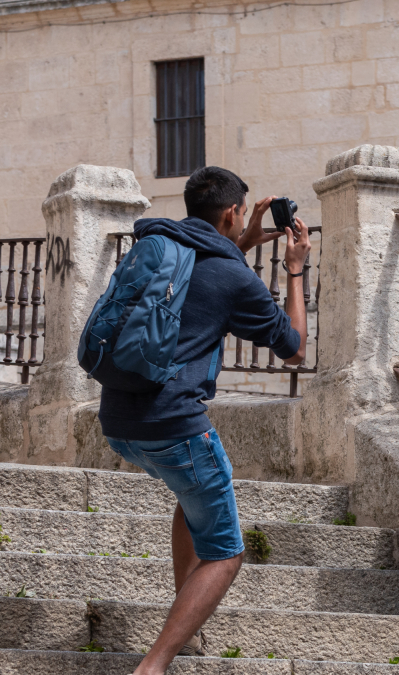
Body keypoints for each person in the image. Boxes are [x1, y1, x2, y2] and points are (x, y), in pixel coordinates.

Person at [99, 167, 310, 675]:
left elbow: (202, 278)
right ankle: (155, 663)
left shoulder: (160, 246)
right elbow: (294, 349)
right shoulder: (233, 274)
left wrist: (241, 240)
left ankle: (184, 619)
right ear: (233, 212)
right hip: (175, 425)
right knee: (226, 553)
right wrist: (296, 269)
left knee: (190, 502)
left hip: (119, 421)